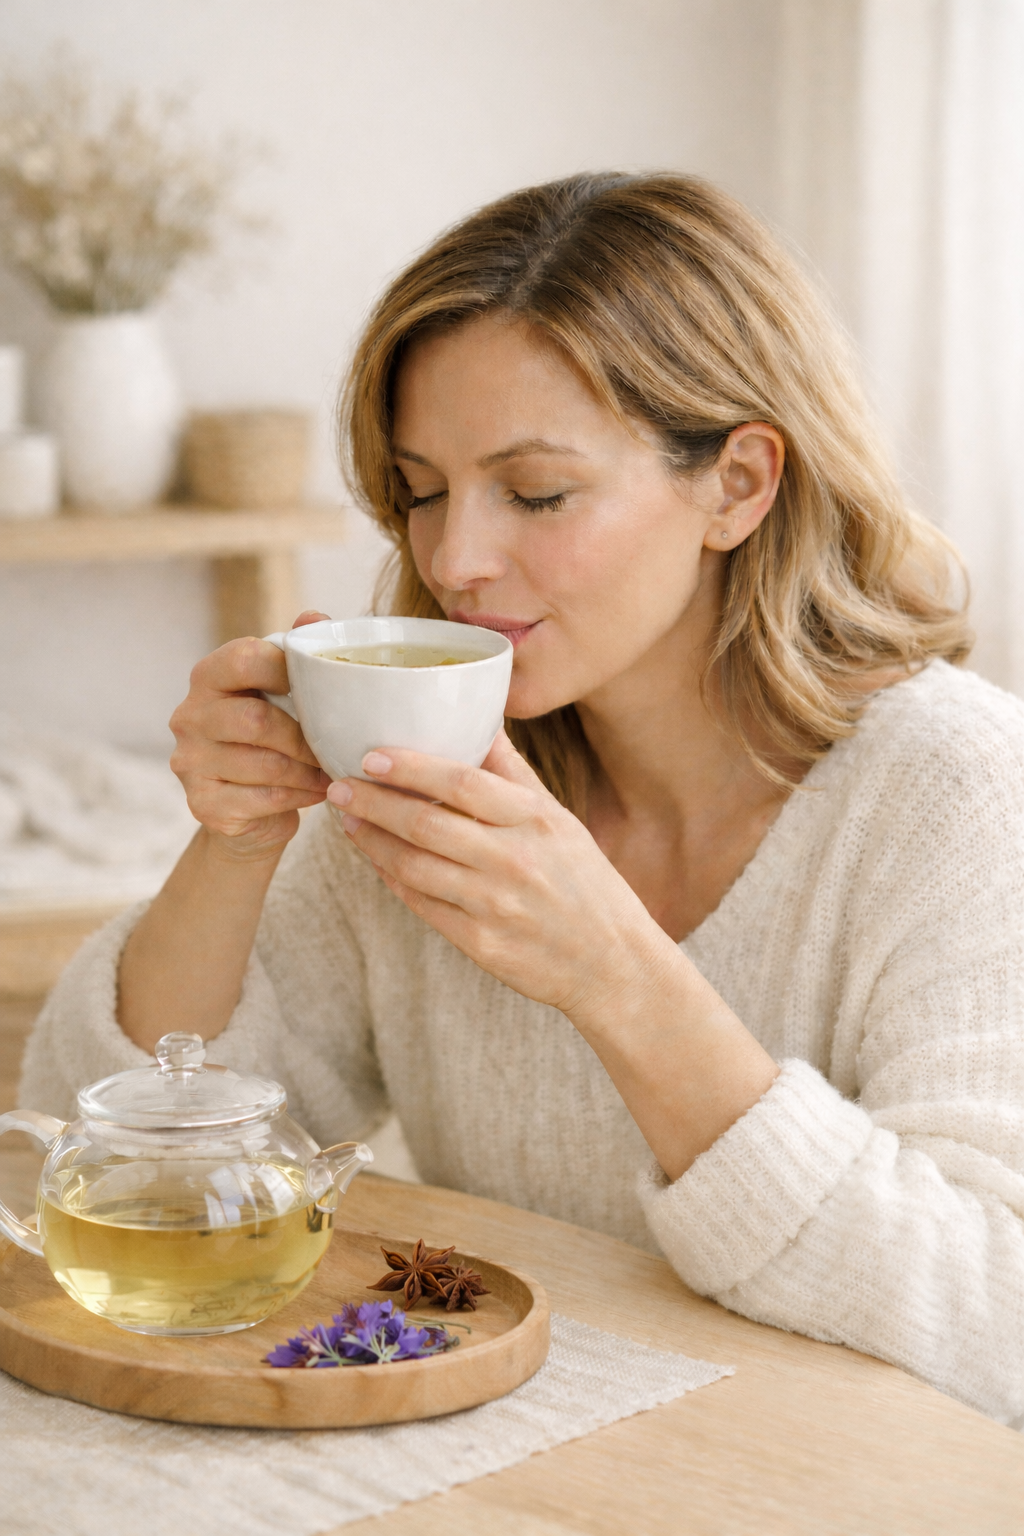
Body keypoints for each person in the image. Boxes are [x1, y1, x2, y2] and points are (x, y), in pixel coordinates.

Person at [22, 173, 1024, 1426]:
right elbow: (85, 1152)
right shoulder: (437, 778)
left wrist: (618, 977)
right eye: (422, 488)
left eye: (535, 493)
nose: (452, 561)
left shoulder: (961, 795)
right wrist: (234, 844)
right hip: (525, 1465)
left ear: (740, 484)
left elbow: (997, 1326)